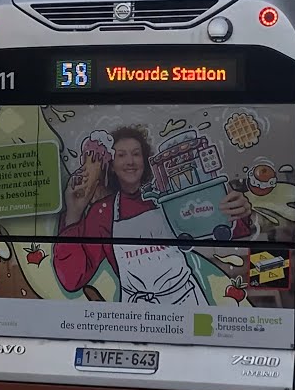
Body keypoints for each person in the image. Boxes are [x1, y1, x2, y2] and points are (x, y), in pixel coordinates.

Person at [54, 125, 253, 304]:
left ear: (145, 160)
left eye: (136, 154)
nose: (130, 161)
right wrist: (74, 212)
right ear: (111, 165)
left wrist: (238, 211)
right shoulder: (102, 212)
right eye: (121, 155)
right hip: (138, 309)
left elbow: (226, 228)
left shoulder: (167, 196)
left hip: (186, 300)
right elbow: (72, 279)